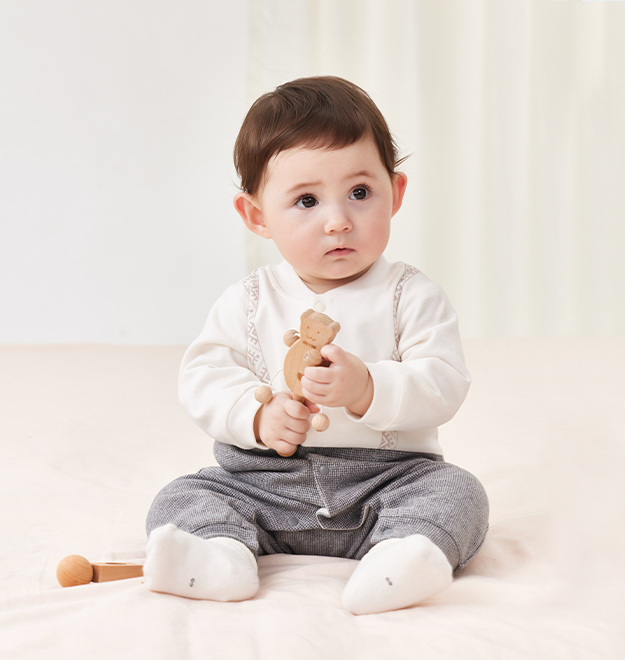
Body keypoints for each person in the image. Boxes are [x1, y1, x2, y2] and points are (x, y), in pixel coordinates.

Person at [144, 76, 489, 615]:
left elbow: (444, 381)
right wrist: (256, 416)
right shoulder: (249, 300)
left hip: (388, 481)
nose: (338, 221)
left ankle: (400, 557)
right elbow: (204, 377)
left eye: (360, 193)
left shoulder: (411, 295)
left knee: (459, 492)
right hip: (264, 482)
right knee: (185, 496)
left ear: (395, 193)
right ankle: (219, 556)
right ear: (257, 216)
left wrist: (368, 388)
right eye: (306, 200)